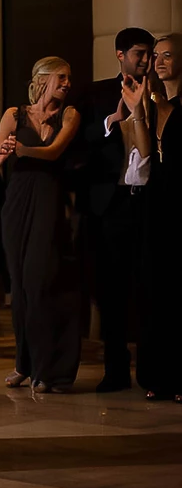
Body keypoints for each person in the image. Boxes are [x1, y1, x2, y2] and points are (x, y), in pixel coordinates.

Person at [0, 56, 92, 393]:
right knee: (19, 287)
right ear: (43, 78)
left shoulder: (69, 115)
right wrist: (5, 151)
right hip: (16, 203)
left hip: (49, 201)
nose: (67, 84)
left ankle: (48, 369)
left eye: (69, 78)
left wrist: (23, 149)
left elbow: (55, 152)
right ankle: (24, 363)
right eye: (62, 77)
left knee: (40, 283)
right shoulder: (14, 115)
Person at [79, 27, 153, 392]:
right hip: (110, 204)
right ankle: (116, 369)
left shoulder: (161, 93)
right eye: (139, 53)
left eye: (149, 54)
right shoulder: (96, 94)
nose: (146, 61)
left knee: (150, 287)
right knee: (111, 290)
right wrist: (112, 121)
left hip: (150, 201)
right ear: (120, 55)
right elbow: (81, 143)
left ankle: (154, 371)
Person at [137, 35, 182, 402]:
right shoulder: (151, 104)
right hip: (158, 198)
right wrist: (140, 108)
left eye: (168, 55)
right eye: (156, 56)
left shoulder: (166, 104)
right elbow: (146, 150)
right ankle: (158, 376)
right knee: (157, 285)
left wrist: (152, 98)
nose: (159, 61)